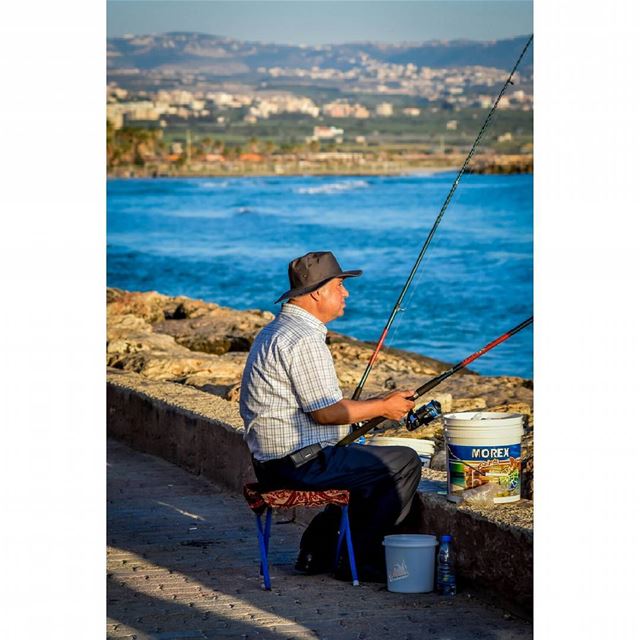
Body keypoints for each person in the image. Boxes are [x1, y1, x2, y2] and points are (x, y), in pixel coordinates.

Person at [240, 251, 422, 582]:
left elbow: (317, 404)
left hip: (273, 463)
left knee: (362, 465)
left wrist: (374, 402)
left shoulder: (275, 331)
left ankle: (317, 551)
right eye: (339, 285)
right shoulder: (305, 339)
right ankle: (360, 563)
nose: (346, 293)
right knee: (403, 462)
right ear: (316, 291)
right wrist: (384, 409)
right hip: (299, 465)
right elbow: (326, 414)